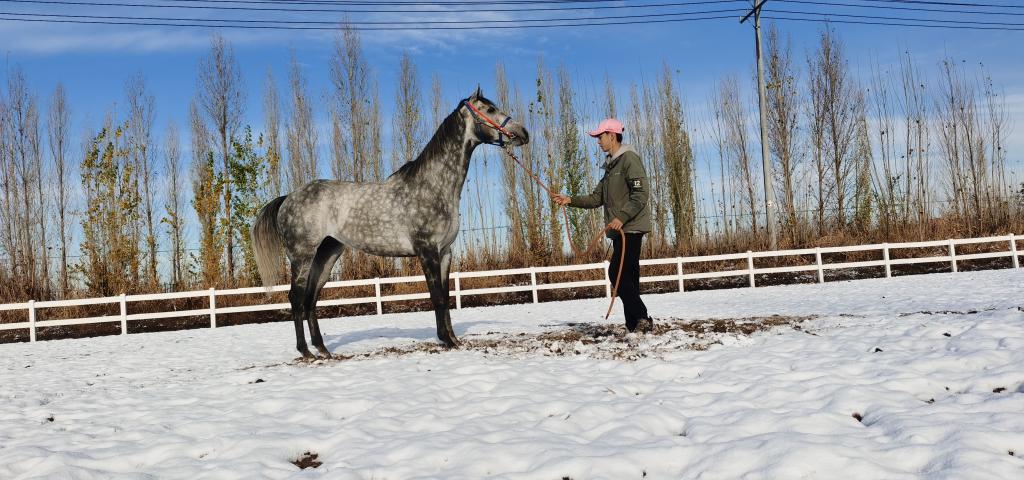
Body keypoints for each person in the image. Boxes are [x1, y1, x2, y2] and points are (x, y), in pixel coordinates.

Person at [552, 118, 654, 333]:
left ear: (612, 136)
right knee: (628, 276)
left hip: (630, 227)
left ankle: (642, 317)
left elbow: (640, 193)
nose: (598, 141)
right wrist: (570, 200)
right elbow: (596, 198)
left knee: (616, 272)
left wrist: (622, 217)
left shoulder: (629, 159)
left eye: (600, 137)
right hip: (619, 231)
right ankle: (634, 324)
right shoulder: (611, 166)